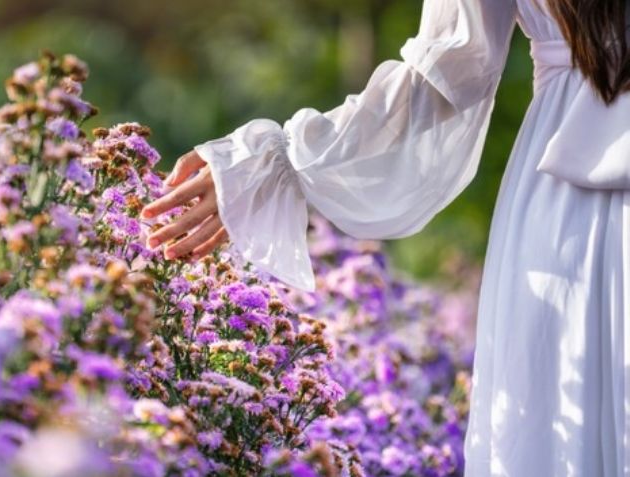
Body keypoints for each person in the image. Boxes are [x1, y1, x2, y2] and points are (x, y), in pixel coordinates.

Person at [140, 0, 630, 475]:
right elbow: (447, 70)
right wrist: (275, 163)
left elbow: (447, 70)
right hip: (576, 210)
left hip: (570, 202)